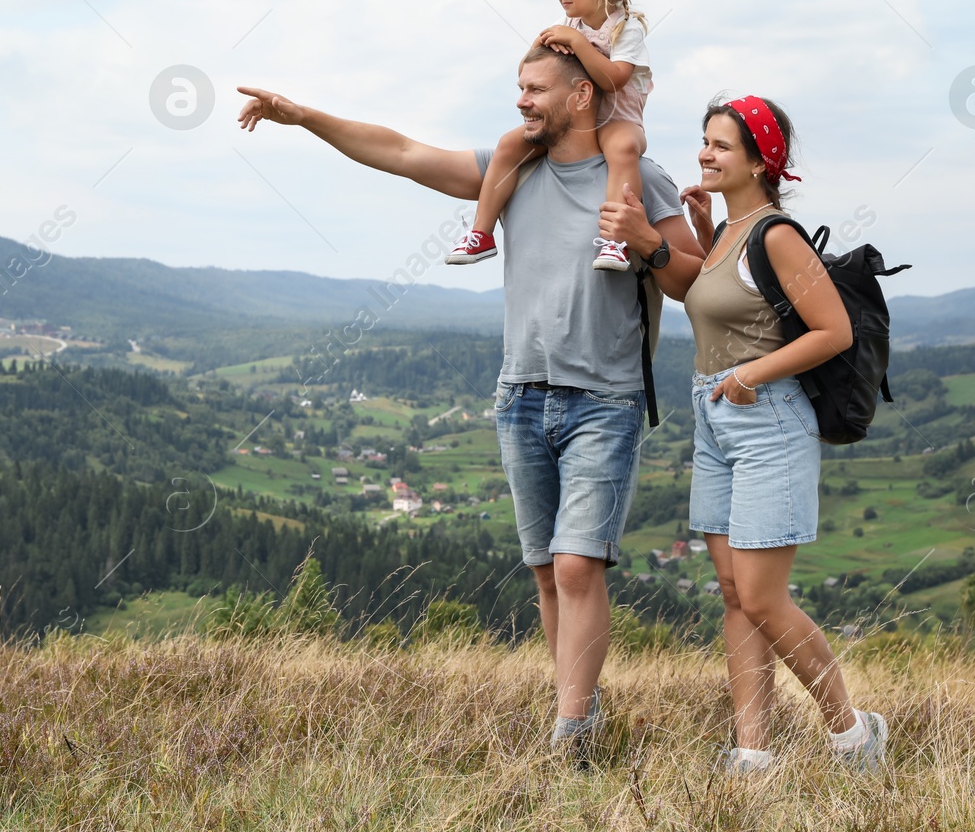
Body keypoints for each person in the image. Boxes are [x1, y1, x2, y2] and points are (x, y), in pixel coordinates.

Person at [237, 45, 700, 762]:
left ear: (581, 96)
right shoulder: (512, 169)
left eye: (535, 89)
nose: (521, 101)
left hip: (605, 399)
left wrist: (647, 244)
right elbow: (400, 152)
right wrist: (304, 118)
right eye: (519, 87)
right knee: (548, 571)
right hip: (520, 395)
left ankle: (571, 736)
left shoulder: (644, 178)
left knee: (578, 567)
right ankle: (577, 707)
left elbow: (691, 280)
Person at [598, 93, 889, 776]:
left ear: (762, 160)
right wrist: (675, 239)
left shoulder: (776, 235)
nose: (705, 152)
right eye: (704, 140)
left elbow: (833, 331)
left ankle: (852, 732)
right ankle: (753, 751)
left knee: (761, 595)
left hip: (767, 422)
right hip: (715, 419)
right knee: (733, 594)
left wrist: (751, 371)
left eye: (721, 144)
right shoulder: (727, 231)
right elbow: (698, 293)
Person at [445, 0, 653, 272]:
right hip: (573, 122)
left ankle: (617, 240)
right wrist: (538, 45)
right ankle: (481, 233)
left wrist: (578, 44)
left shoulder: (625, 29)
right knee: (508, 144)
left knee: (624, 149)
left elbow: (615, 80)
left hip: (618, 118)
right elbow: (528, 69)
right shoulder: (569, 27)